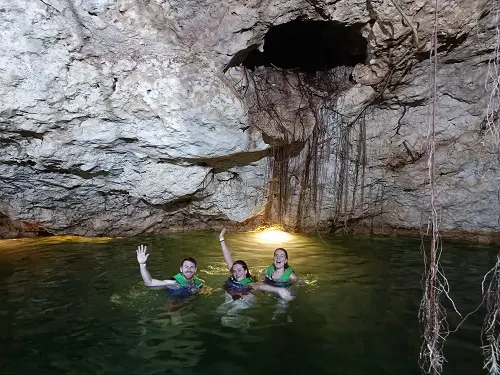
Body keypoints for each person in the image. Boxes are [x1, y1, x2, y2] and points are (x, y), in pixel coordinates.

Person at [219, 228, 292, 301]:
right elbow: (227, 256)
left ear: (245, 271)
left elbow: (259, 286)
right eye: (234, 271)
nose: (237, 273)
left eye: (239, 270)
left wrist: (278, 290)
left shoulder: (249, 283)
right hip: (232, 295)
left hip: (243, 299)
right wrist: (221, 238)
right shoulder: (234, 276)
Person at [136, 244, 204, 300]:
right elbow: (149, 283)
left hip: (188, 303)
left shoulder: (198, 282)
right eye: (186, 267)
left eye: (192, 267)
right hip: (174, 305)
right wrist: (142, 264)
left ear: (195, 270)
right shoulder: (173, 282)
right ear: (181, 269)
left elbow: (207, 291)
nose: (189, 269)